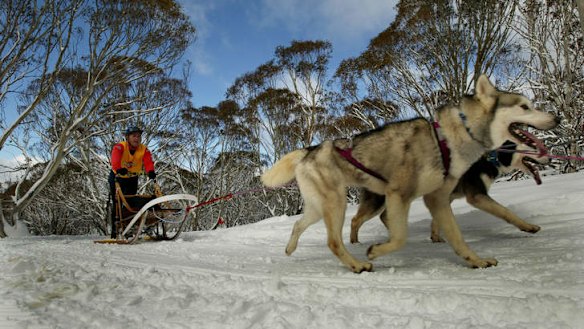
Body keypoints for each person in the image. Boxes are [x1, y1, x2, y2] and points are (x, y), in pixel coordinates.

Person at [108, 126, 156, 238]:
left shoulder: (144, 149)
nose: (137, 139)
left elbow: (148, 161)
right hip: (117, 177)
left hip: (132, 178)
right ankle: (114, 232)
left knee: (131, 202)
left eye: (139, 136)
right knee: (117, 203)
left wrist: (150, 172)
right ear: (127, 137)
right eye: (134, 136)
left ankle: (129, 227)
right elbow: (115, 158)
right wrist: (118, 168)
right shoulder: (120, 147)